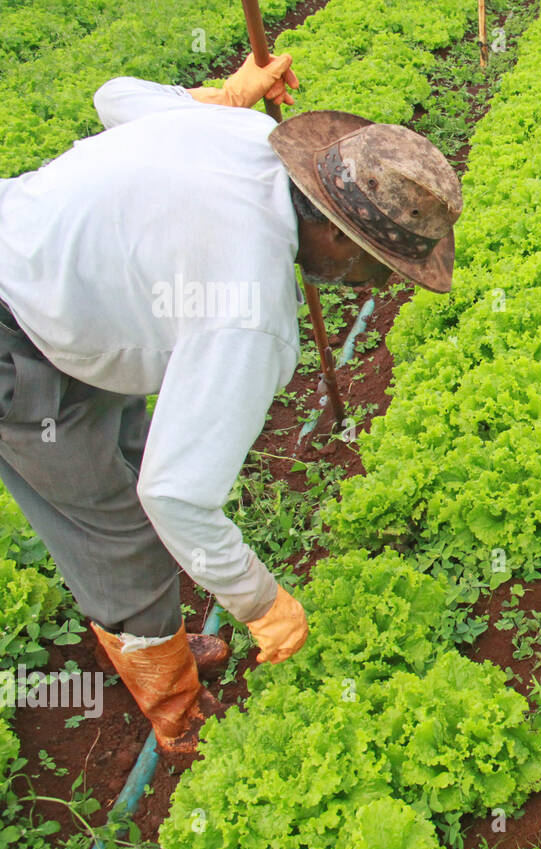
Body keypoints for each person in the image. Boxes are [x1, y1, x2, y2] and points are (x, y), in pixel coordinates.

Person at [0, 53, 463, 754]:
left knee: (128, 451)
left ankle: (149, 636)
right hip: (17, 331)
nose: (373, 285)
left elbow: (114, 92)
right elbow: (178, 496)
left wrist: (217, 97)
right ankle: (177, 714)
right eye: (377, 264)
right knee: (116, 528)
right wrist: (262, 604)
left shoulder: (237, 133)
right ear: (336, 234)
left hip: (58, 283)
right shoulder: (247, 308)